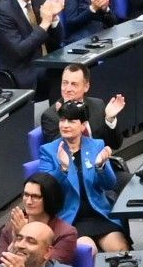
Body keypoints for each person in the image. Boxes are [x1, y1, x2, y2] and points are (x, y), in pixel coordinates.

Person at [38, 101, 130, 251]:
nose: (65, 125)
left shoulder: (96, 145)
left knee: (120, 250)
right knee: (88, 251)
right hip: (70, 218)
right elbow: (45, 190)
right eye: (62, 120)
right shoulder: (48, 151)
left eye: (71, 121)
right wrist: (63, 168)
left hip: (98, 213)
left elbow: (109, 184)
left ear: (82, 125)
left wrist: (101, 166)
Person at [0, 171, 83, 264]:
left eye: (35, 196)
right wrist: (15, 240)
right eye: (26, 195)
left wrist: (23, 236)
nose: (28, 201)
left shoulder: (66, 234)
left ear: (49, 199)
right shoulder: (11, 227)